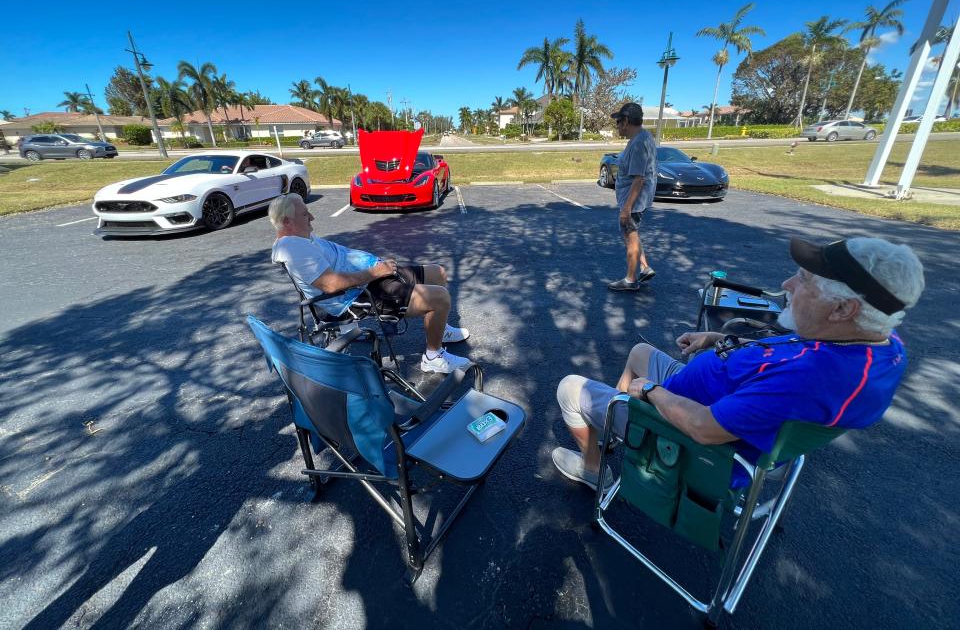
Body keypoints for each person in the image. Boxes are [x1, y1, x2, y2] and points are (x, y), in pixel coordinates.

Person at [553, 236, 925, 491]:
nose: (788, 284)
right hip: (706, 394)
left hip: (691, 441)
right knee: (638, 354)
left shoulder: (807, 380)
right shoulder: (879, 344)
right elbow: (787, 352)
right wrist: (717, 340)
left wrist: (648, 392)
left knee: (570, 388)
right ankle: (623, 435)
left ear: (844, 308)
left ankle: (596, 467)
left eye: (804, 279)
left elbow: (704, 428)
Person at [269, 194, 472, 373]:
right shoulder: (294, 249)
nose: (312, 217)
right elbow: (330, 285)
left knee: (438, 273)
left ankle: (440, 329)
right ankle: (433, 358)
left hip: (370, 278)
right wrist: (375, 271)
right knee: (439, 298)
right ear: (287, 222)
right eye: (305, 214)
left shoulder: (299, 237)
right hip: (356, 296)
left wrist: (376, 268)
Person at [607, 102, 657, 291]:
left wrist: (626, 208)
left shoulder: (638, 144)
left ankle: (630, 280)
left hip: (634, 201)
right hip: (635, 200)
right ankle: (644, 267)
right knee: (633, 234)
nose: (617, 127)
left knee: (630, 238)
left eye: (618, 122)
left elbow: (638, 180)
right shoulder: (643, 137)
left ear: (626, 121)